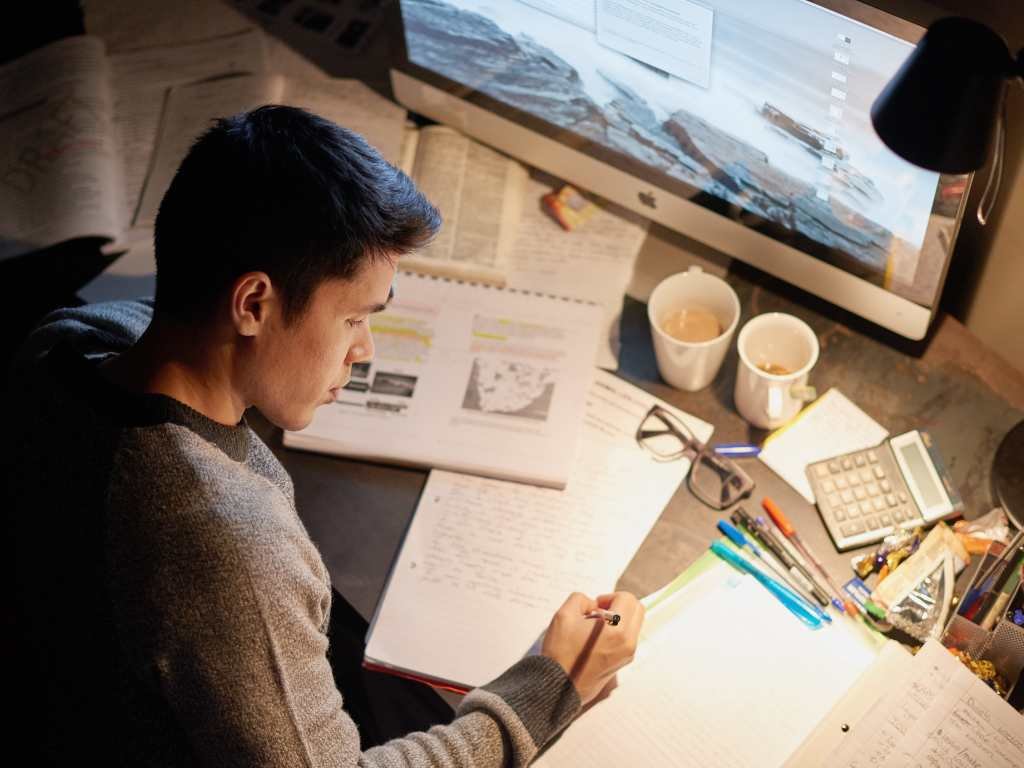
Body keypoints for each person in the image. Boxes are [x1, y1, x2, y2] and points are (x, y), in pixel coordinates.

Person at [6, 105, 643, 766]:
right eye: (353, 319)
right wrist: (550, 689)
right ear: (253, 304)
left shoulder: (69, 341)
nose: (363, 349)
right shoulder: (228, 548)